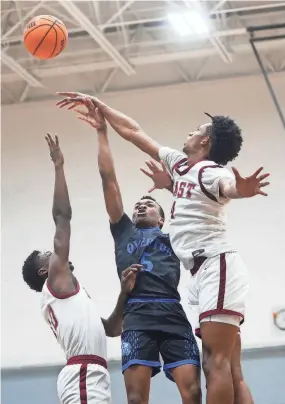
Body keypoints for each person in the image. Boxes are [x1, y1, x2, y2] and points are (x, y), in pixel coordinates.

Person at [55, 93, 267, 404]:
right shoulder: (178, 170)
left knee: (214, 369)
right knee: (229, 368)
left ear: (206, 141)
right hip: (172, 293)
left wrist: (242, 190)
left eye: (196, 129)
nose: (189, 132)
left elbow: (226, 187)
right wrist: (101, 109)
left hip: (202, 278)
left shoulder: (211, 174)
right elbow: (134, 132)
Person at [58, 99, 202, 404]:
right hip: (136, 314)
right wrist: (101, 133)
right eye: (138, 204)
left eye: (148, 204)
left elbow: (195, 208)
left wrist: (170, 187)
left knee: (193, 392)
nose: (141, 204)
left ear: (161, 218)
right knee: (136, 398)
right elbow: (107, 178)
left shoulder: (173, 233)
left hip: (171, 312)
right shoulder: (123, 230)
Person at [22, 133, 141, 404]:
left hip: (90, 373)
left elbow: (112, 328)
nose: (54, 254)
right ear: (45, 272)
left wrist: (124, 293)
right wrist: (59, 166)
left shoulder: (71, 301)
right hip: (83, 373)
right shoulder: (56, 282)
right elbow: (62, 217)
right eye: (48, 255)